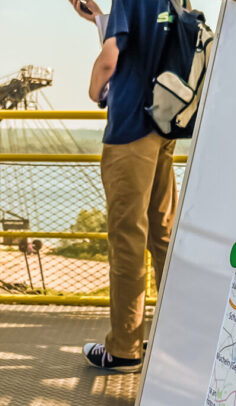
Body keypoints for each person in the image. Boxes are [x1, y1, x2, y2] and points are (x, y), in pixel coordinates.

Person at [70, 0, 178, 371]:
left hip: (130, 130)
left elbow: (110, 60)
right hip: (162, 127)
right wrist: (100, 19)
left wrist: (94, 91)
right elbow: (152, 48)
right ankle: (174, 336)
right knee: (163, 235)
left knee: (126, 237)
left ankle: (124, 349)